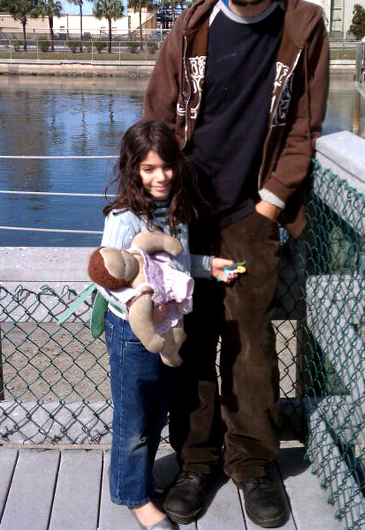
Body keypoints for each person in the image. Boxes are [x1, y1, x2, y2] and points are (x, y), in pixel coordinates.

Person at [143, 0, 330, 528]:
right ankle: (197, 461)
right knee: (190, 341)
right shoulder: (194, 25)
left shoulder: (302, 26)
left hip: (253, 214)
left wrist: (272, 202)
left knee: (250, 345)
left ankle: (252, 463)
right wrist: (157, 196)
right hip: (188, 209)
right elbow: (160, 113)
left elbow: (305, 123)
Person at [93, 120, 235, 530]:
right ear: (132, 169)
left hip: (168, 333)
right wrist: (138, 303)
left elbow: (177, 263)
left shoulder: (175, 213)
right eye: (149, 169)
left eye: (167, 166)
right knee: (134, 419)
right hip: (131, 336)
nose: (160, 177)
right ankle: (133, 496)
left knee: (156, 414)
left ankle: (138, 480)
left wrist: (210, 266)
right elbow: (107, 277)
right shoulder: (125, 218)